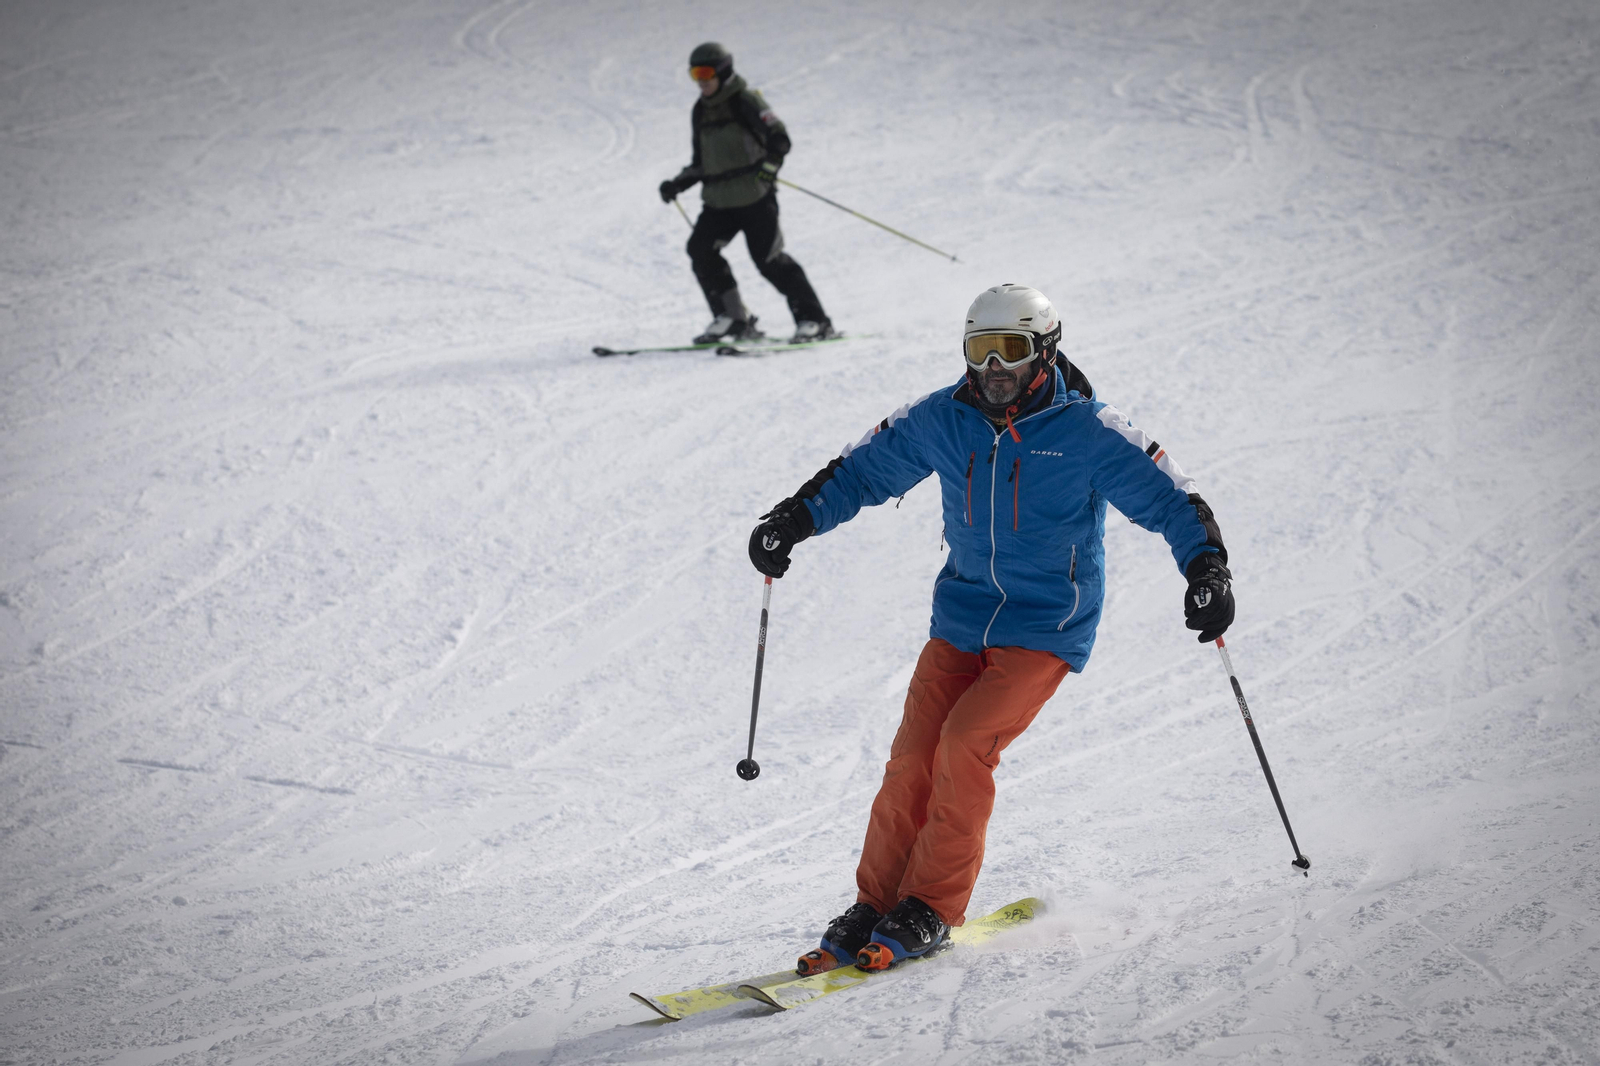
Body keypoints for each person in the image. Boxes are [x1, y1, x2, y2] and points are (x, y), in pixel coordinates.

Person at [747, 284, 1235, 973]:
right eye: (980, 351)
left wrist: (1207, 569)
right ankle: (875, 903)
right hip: (962, 617)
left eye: (1011, 350)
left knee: (964, 744)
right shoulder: (943, 418)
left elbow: (1171, 498)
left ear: (1044, 351)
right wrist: (792, 520)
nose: (994, 368)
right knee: (912, 757)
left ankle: (931, 906)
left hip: (1045, 627)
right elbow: (863, 470)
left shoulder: (1088, 430)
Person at [658, 42, 835, 346]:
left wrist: (769, 166)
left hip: (755, 197)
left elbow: (779, 139)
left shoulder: (745, 101)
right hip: (718, 202)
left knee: (769, 260)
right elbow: (702, 162)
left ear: (723, 72)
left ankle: (814, 320)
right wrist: (678, 183)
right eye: (693, 73)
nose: (700, 80)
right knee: (701, 250)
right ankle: (733, 319)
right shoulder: (700, 110)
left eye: (705, 72)